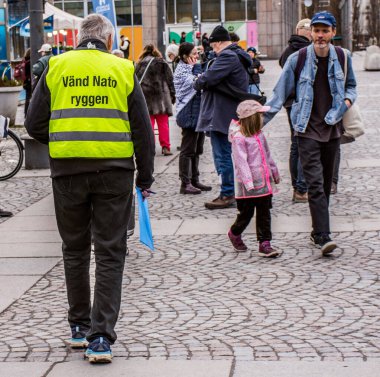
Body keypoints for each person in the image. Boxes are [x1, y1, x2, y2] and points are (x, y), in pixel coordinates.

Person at [25, 13, 155, 363]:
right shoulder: (122, 69)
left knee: (75, 249)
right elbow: (143, 131)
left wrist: (60, 142)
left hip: (67, 172)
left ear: (79, 37)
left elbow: (34, 123)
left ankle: (79, 328)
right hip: (114, 172)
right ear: (109, 40)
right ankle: (101, 338)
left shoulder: (56, 66)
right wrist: (145, 178)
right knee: (111, 252)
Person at [264, 11, 357, 255]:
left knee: (325, 186)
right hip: (305, 130)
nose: (320, 35)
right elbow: (278, 94)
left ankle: (317, 230)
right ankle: (324, 237)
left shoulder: (343, 56)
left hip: (332, 129)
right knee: (314, 184)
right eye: (317, 31)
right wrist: (254, 122)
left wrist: (345, 103)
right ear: (311, 33)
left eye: (325, 31)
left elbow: (351, 87)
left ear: (333, 33)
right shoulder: (298, 59)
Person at [194, 25, 252, 209]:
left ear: (218, 43)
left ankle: (227, 193)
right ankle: (231, 190)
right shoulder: (237, 56)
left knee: (223, 156)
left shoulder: (227, 56)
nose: (211, 49)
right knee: (226, 154)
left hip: (221, 114)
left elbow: (205, 80)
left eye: (212, 46)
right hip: (226, 113)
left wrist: (200, 80)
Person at [228, 100, 280, 257]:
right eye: (260, 116)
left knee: (265, 212)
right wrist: (248, 182)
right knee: (246, 214)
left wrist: (274, 172)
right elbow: (241, 162)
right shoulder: (239, 138)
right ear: (252, 118)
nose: (263, 119)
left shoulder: (260, 135)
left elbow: (267, 155)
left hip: (264, 183)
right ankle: (235, 232)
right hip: (247, 187)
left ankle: (265, 243)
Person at [279, 18, 312, 203]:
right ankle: (300, 188)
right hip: (299, 103)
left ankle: (297, 186)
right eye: (308, 28)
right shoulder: (301, 51)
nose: (311, 31)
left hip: (291, 102)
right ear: (299, 29)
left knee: (296, 144)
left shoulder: (288, 50)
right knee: (302, 145)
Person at [174, 42, 211, 195]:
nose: (197, 56)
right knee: (187, 149)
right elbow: (196, 83)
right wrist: (197, 69)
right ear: (184, 56)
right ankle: (185, 183)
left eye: (198, 53)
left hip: (198, 113)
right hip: (187, 113)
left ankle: (195, 179)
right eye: (194, 54)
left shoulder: (193, 68)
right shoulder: (181, 71)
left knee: (197, 149)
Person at [135, 44, 176, 156]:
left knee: (149, 125)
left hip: (146, 98)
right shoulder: (162, 63)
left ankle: (150, 148)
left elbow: (135, 82)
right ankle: (165, 147)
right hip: (162, 98)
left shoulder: (139, 64)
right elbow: (170, 80)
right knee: (163, 124)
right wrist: (172, 95)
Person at [23, 48, 32, 117]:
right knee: (30, 98)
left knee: (27, 98)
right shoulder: (30, 62)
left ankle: (26, 113)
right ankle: (28, 113)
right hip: (30, 82)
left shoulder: (25, 61)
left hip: (26, 82)